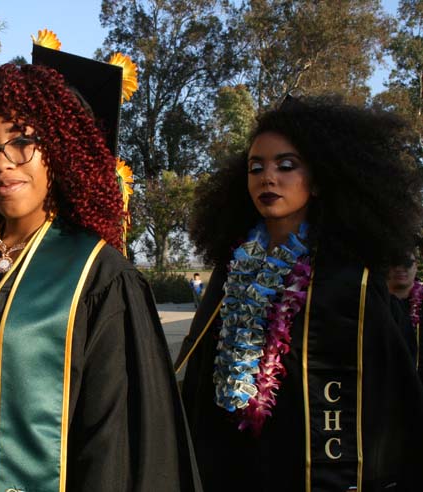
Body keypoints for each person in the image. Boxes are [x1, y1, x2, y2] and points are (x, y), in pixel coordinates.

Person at [0, 40, 183, 492]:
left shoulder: (98, 276)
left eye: (21, 143)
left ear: (57, 149)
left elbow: (113, 441)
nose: (0, 164)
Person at [175, 96, 423, 492]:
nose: (267, 177)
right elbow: (202, 381)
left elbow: (389, 400)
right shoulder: (233, 269)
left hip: (307, 468)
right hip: (235, 467)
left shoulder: (349, 280)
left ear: (319, 180)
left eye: (286, 166)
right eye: (256, 167)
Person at [387, 251, 423, 381]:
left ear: (416, 265)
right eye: (395, 262)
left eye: (407, 263)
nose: (400, 268)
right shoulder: (372, 303)